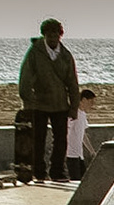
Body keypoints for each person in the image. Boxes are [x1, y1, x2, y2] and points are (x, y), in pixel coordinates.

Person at [18, 19, 79, 182]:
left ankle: (57, 171)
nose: (53, 38)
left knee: (61, 140)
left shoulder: (65, 55)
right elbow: (25, 78)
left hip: (60, 104)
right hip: (39, 104)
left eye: (56, 35)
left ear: (60, 35)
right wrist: (28, 102)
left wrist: (74, 107)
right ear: (44, 35)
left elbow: (72, 82)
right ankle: (38, 171)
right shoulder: (35, 52)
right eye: (49, 35)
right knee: (38, 139)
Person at [64, 88, 95, 179]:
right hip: (71, 154)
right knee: (76, 179)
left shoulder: (83, 114)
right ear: (84, 100)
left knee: (83, 179)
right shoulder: (74, 114)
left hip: (79, 155)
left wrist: (91, 151)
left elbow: (83, 135)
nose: (92, 105)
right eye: (91, 102)